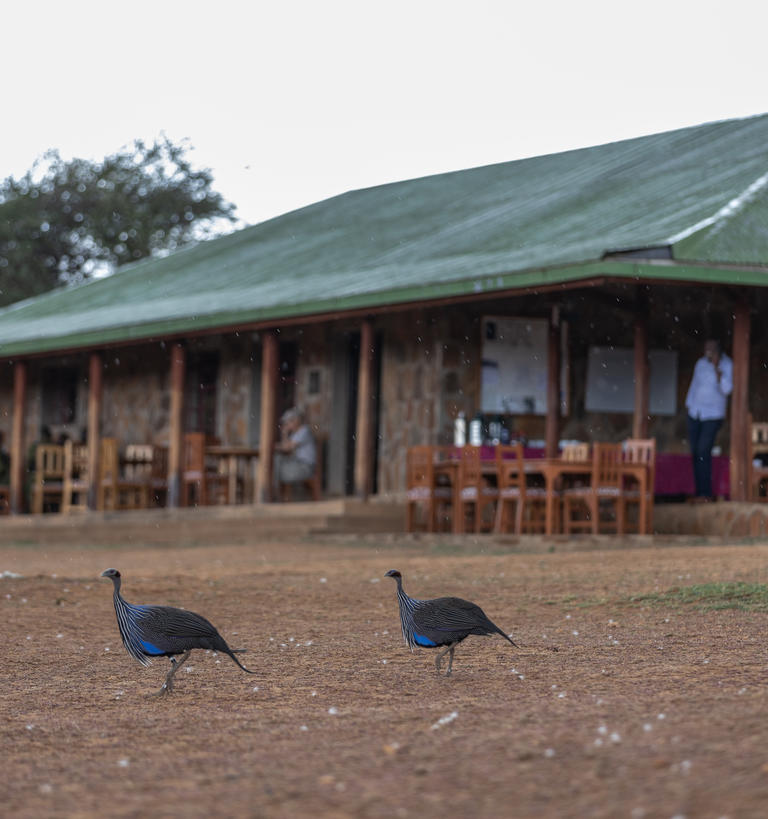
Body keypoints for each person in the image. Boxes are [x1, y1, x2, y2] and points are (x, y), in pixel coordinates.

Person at [685, 339, 733, 501]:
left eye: (710, 349)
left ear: (718, 350)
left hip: (712, 415)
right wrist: (689, 405)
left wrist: (717, 369)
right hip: (695, 412)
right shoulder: (700, 363)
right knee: (695, 452)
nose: (707, 352)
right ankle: (698, 492)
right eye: (706, 348)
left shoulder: (727, 365)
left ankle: (705, 493)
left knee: (703, 451)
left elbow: (727, 390)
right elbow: (694, 385)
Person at [273, 407, 317, 500]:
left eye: (288, 422)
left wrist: (284, 433)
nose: (287, 425)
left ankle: (275, 494)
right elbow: (286, 446)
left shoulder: (304, 431)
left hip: (305, 467)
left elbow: (287, 448)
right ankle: (276, 493)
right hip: (298, 464)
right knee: (277, 461)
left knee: (276, 463)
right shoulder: (296, 433)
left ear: (296, 421)